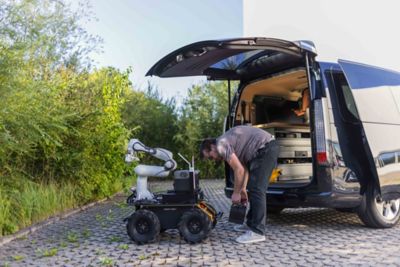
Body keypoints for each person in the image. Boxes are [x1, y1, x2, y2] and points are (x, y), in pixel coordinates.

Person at [200, 125, 279, 244]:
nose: (213, 159)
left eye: (210, 156)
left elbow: (239, 170)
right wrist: (242, 189)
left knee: (257, 189)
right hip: (264, 149)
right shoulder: (230, 144)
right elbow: (244, 168)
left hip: (266, 148)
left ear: (212, 146)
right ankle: (251, 224)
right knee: (253, 188)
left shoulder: (222, 145)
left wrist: (236, 193)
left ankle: (257, 231)